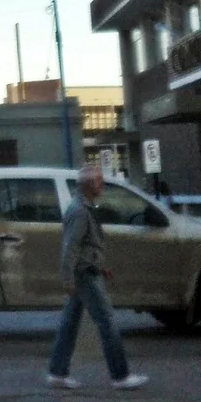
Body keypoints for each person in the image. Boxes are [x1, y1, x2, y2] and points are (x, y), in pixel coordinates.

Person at [47, 165, 148, 390]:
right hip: (84, 275)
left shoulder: (84, 208)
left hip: (87, 271)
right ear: (88, 185)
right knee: (107, 322)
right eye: (99, 181)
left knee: (69, 324)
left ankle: (57, 371)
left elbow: (83, 247)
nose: (101, 185)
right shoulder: (80, 211)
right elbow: (70, 247)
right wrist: (68, 278)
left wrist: (100, 267)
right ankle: (120, 375)